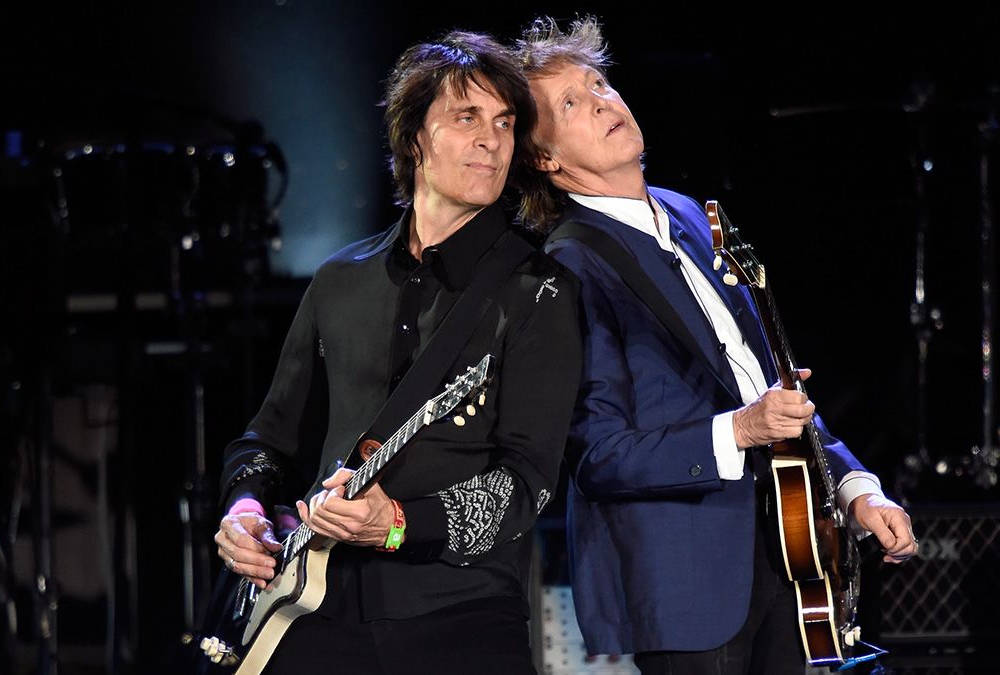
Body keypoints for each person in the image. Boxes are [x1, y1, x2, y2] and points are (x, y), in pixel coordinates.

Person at [515, 17, 918, 674]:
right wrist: (740, 429)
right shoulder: (567, 270)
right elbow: (600, 456)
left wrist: (853, 485)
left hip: (792, 555)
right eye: (570, 104)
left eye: (599, 84)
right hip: (687, 586)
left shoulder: (690, 215)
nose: (601, 102)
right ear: (543, 158)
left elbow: (771, 381)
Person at [211, 30, 581, 674]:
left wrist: (403, 522)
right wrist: (244, 509)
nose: (492, 140)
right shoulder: (338, 279)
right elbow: (268, 439)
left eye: (504, 122)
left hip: (462, 614)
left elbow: (530, 483)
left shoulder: (539, 289)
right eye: (467, 118)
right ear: (415, 139)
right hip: (312, 609)